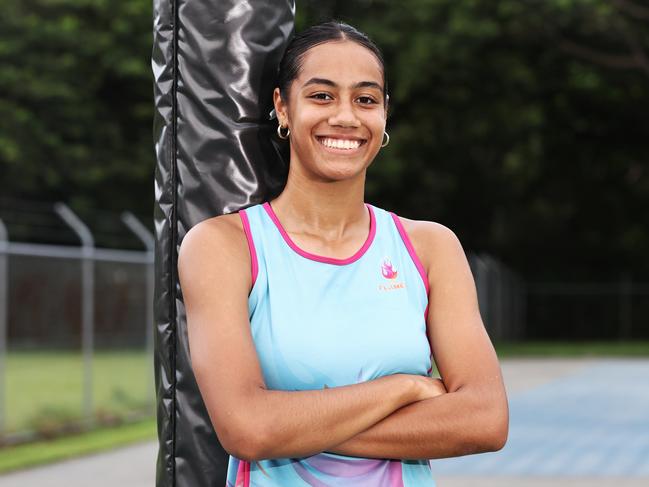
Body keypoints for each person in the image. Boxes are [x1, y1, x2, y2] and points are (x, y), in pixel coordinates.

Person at [178, 20, 509, 487]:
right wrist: (404, 388)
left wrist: (290, 425)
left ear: (384, 116)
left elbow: (485, 420)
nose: (346, 117)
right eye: (321, 95)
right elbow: (246, 429)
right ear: (282, 107)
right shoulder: (223, 246)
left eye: (366, 99)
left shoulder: (430, 246)